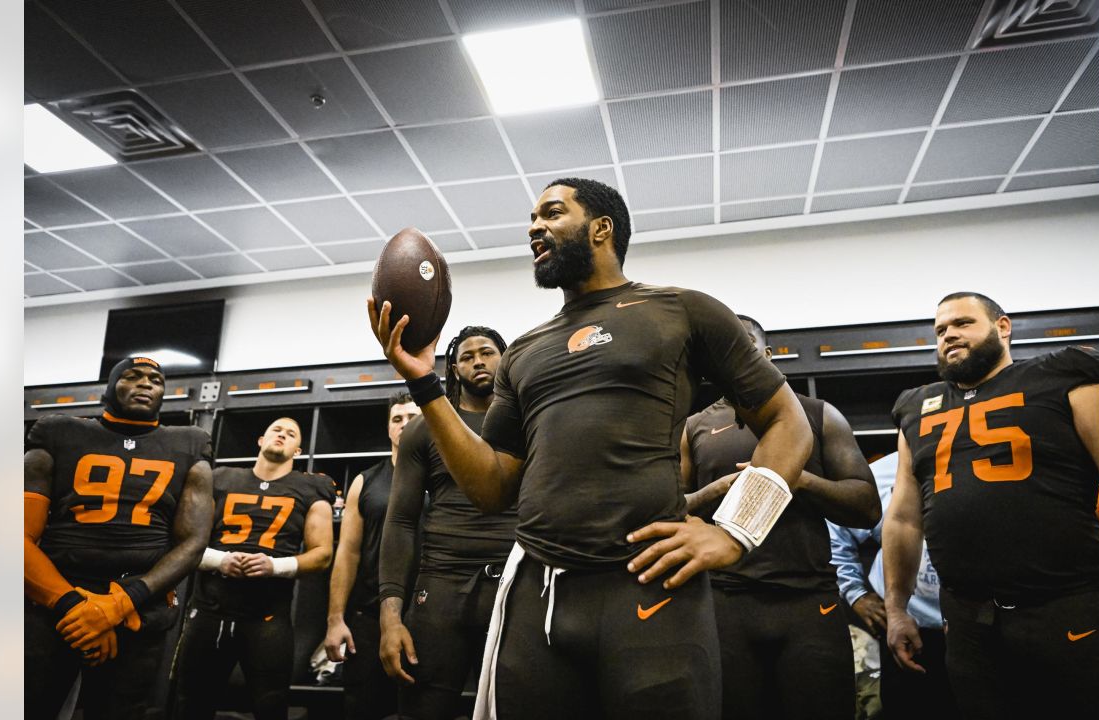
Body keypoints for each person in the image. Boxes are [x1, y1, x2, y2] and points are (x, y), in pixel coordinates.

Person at [368, 177, 814, 720]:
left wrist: (735, 532)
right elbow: (492, 486)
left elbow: (788, 423)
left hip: (649, 585)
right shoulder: (524, 352)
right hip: (540, 591)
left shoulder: (681, 310)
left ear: (601, 228)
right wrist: (422, 382)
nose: (535, 226)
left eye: (552, 213)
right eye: (532, 218)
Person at [883, 292, 1099, 720]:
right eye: (941, 330)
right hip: (968, 619)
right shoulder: (916, 408)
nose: (949, 335)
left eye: (963, 323)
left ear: (1003, 327)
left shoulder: (1062, 376)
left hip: (1065, 605)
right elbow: (904, 519)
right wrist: (896, 609)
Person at [681, 313, 880, 720]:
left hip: (808, 603)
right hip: (725, 604)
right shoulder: (693, 428)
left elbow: (867, 507)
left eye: (744, 349)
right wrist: (715, 491)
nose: (731, 360)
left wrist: (794, 478)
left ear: (767, 356)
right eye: (720, 353)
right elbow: (669, 509)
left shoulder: (819, 414)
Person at [24, 356, 214, 719]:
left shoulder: (190, 444)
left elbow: (192, 543)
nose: (146, 383)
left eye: (155, 380)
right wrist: (77, 608)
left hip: (137, 604)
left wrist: (119, 604)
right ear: (109, 388)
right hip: (57, 599)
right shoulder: (58, 433)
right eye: (132, 376)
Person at [378, 326, 518, 719]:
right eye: (468, 356)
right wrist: (391, 618)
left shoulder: (526, 422)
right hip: (440, 589)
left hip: (513, 586)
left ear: (505, 360)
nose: (478, 361)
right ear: (454, 370)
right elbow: (401, 522)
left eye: (487, 352)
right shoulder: (423, 429)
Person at [171, 417, 335, 720]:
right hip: (210, 611)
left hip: (267, 618)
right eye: (276, 429)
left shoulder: (312, 486)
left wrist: (274, 565)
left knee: (271, 706)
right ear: (260, 440)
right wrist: (221, 560)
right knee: (189, 705)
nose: (282, 435)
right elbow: (184, 540)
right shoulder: (220, 478)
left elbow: (323, 554)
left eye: (291, 434)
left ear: (298, 450)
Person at [828, 452, 957, 720]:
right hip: (908, 628)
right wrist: (856, 593)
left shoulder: (984, 464)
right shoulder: (884, 472)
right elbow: (836, 529)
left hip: (974, 626)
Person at [323, 392, 421, 719]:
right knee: (361, 707)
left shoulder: (444, 478)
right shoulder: (366, 481)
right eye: (397, 419)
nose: (405, 425)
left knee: (422, 707)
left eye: (412, 417)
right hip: (369, 614)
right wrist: (336, 619)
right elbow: (348, 553)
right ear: (388, 429)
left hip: (426, 613)